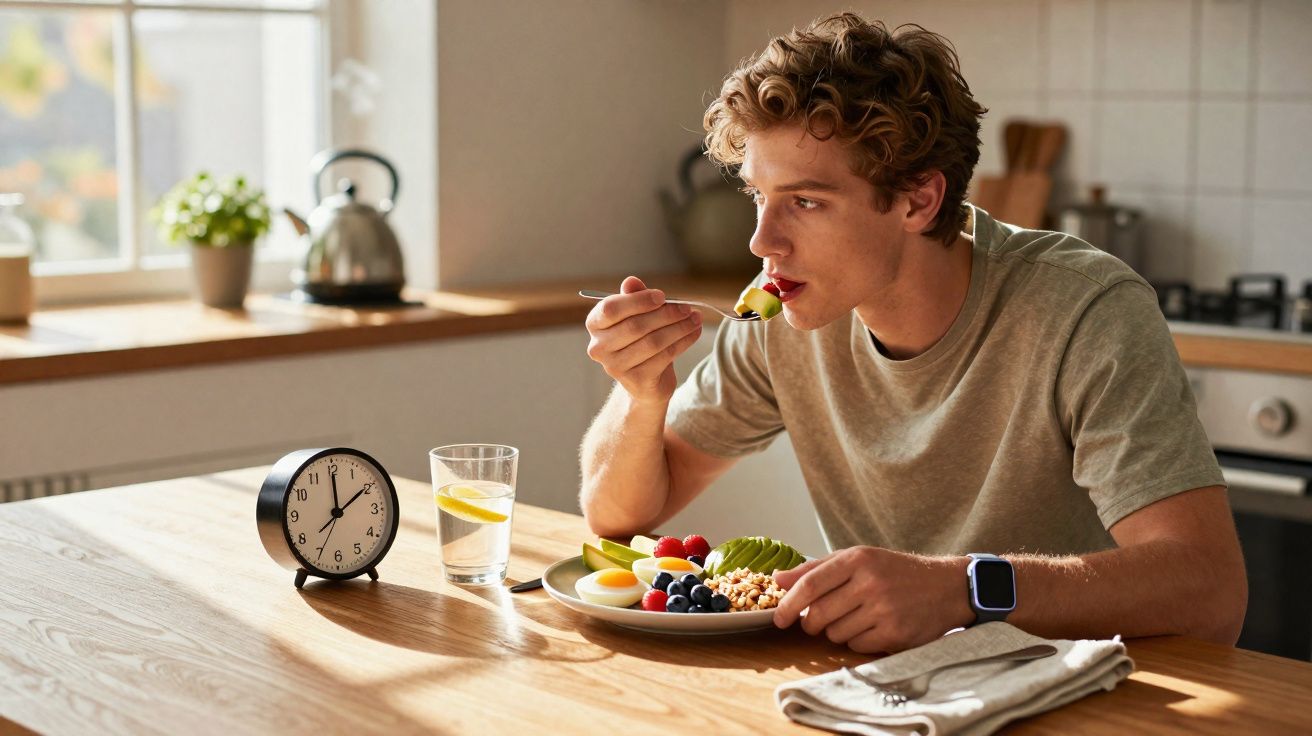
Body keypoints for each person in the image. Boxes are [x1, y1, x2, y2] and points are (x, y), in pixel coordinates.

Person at [579, 12, 1246, 654]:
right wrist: (640, 398)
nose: (762, 241)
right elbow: (619, 515)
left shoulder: (1083, 310)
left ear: (918, 200)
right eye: (759, 196)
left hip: (1090, 691)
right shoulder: (780, 314)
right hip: (895, 691)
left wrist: (966, 588)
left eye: (806, 202)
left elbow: (1211, 594)